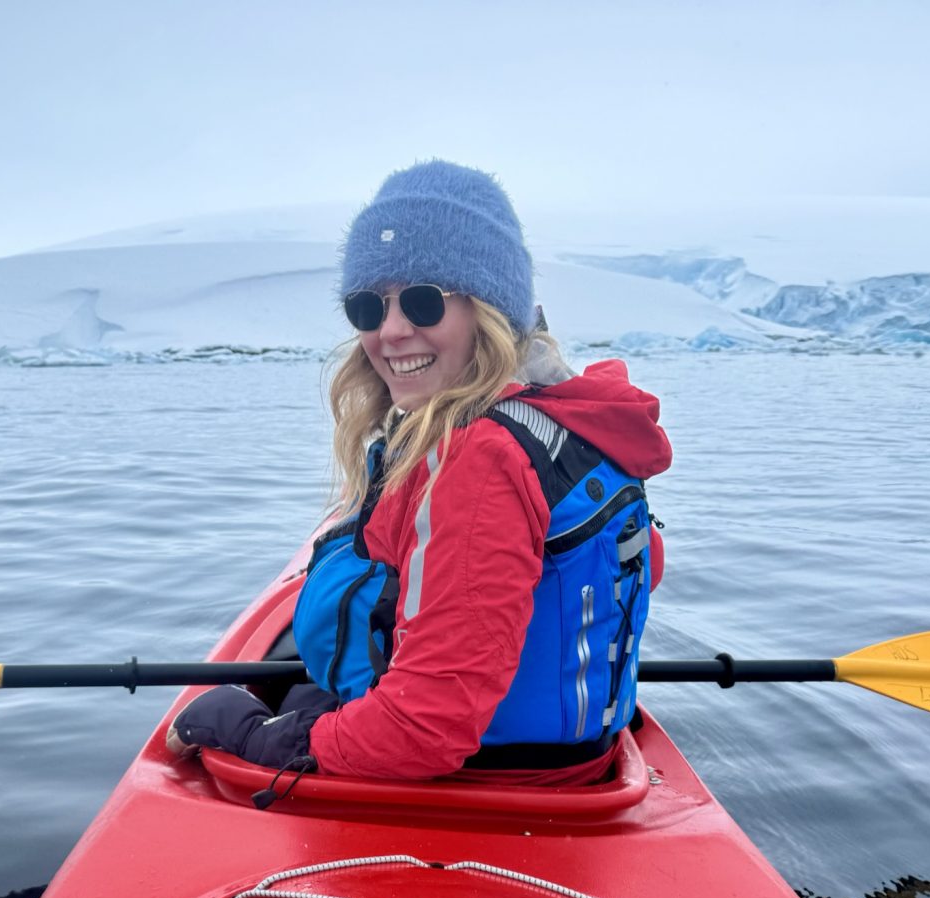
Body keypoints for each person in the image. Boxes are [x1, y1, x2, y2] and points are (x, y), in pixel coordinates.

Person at [168, 159, 672, 786]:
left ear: (489, 309)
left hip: (484, 782)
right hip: (575, 761)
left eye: (423, 300)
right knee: (305, 695)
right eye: (366, 308)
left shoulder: (479, 457)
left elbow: (423, 731)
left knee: (286, 708)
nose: (392, 331)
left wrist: (252, 736)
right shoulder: (573, 423)